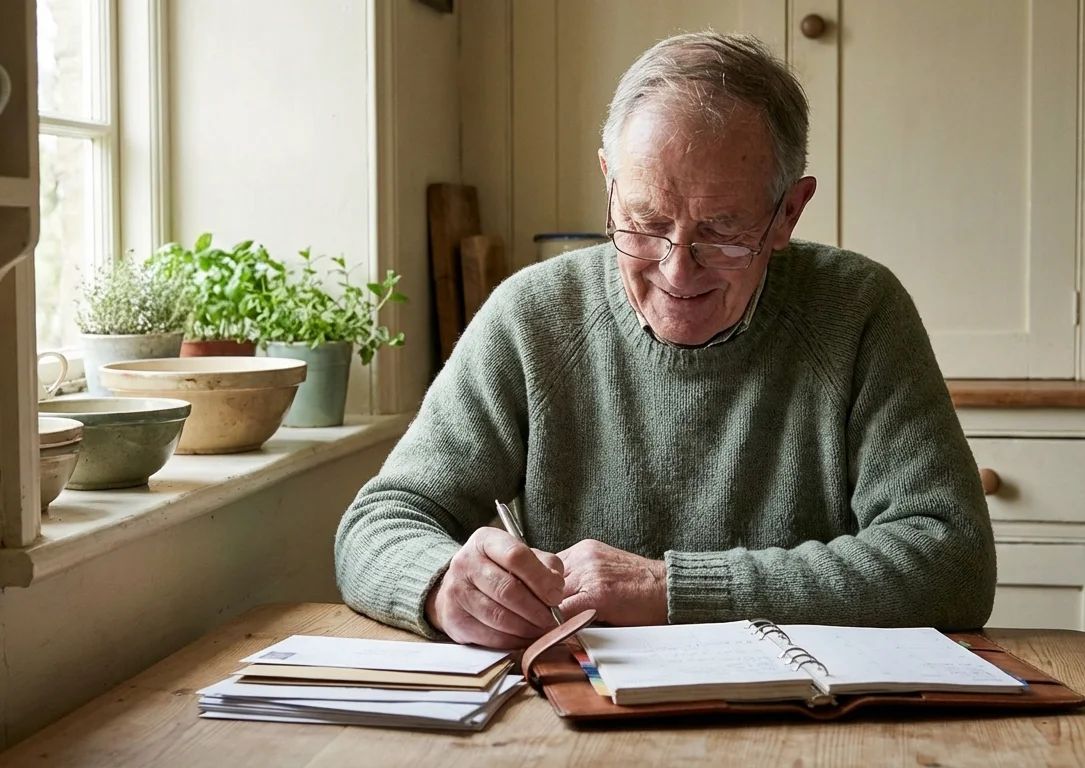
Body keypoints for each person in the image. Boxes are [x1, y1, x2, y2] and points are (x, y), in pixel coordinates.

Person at [334, 31, 996, 649]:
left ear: (788, 213)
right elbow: (382, 520)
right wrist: (444, 585)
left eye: (724, 232)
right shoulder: (532, 317)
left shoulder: (857, 313)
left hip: (807, 724)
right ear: (608, 181)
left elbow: (951, 561)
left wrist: (669, 590)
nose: (677, 270)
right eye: (644, 223)